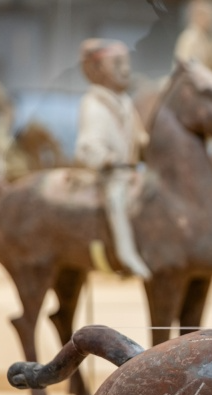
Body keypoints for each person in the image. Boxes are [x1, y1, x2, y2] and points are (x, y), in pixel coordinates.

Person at [76, 38, 150, 279]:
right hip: (112, 175)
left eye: (126, 63)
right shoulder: (93, 104)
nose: (125, 69)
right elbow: (86, 147)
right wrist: (106, 158)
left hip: (133, 170)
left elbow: (137, 135)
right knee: (117, 201)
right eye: (117, 63)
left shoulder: (126, 102)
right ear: (98, 69)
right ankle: (126, 255)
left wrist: (145, 143)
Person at [174, 0, 212, 69]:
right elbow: (184, 66)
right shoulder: (190, 38)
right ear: (199, 16)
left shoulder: (203, 38)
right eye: (210, 17)